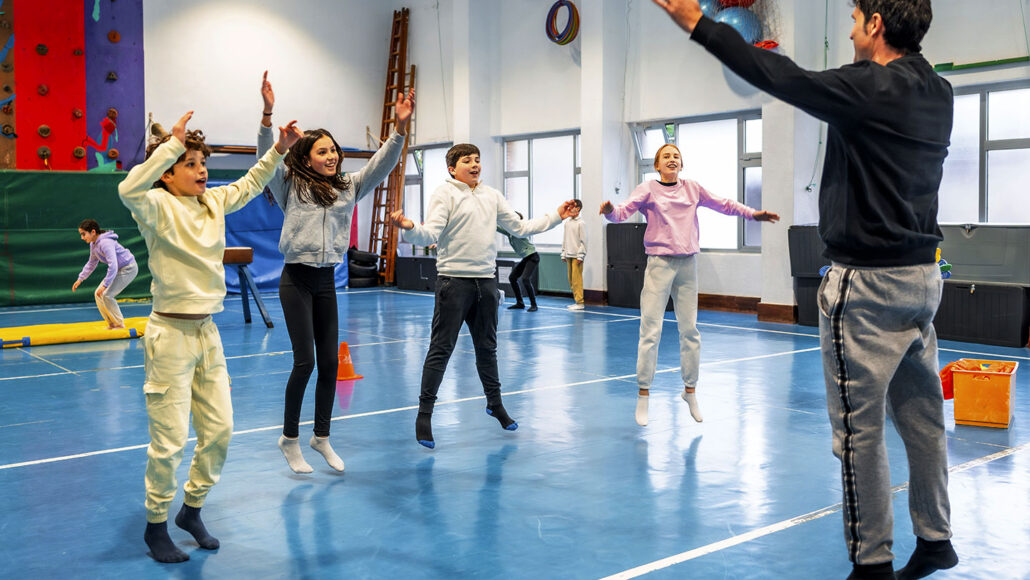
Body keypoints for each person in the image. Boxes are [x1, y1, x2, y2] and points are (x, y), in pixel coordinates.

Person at [651, 1, 957, 578]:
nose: (849, 29)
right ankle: (936, 537)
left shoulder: (867, 87)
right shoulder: (938, 92)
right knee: (923, 418)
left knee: (856, 431)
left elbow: (779, 76)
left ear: (875, 25)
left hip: (866, 286)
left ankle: (872, 562)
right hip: (923, 279)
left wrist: (700, 24)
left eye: (855, 17)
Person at [119, 110, 301, 563]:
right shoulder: (155, 205)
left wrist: (279, 148)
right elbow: (127, 188)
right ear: (167, 174)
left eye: (202, 163)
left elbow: (250, 183)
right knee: (170, 438)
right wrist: (169, 146)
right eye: (190, 163)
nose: (202, 171)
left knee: (219, 430)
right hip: (169, 336)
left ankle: (192, 509)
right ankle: (156, 524)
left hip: (207, 333)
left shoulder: (214, 202)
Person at [257, 72, 414, 474]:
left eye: (334, 151)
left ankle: (321, 437)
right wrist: (268, 116)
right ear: (307, 155)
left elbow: (382, 165)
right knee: (305, 362)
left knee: (330, 364)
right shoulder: (290, 183)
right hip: (296, 280)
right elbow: (265, 160)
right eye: (322, 151)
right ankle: (289, 439)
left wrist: (399, 128)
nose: (331, 157)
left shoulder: (348, 186)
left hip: (327, 281)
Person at [390, 144, 575, 449]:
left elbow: (520, 227)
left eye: (477, 160)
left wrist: (557, 215)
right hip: (453, 285)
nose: (475, 164)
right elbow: (429, 233)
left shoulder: (491, 196)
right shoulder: (444, 194)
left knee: (487, 350)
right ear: (452, 168)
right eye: (467, 161)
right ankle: (424, 415)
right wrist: (410, 228)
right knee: (441, 349)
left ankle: (495, 404)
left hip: (486, 285)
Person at [601, 143, 779, 428]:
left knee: (690, 331)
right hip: (659, 265)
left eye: (676, 157)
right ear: (657, 165)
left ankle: (690, 391)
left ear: (681, 165)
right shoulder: (647, 189)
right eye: (666, 156)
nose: (672, 159)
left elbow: (724, 204)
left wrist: (752, 214)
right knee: (651, 330)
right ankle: (644, 394)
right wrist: (610, 211)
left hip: (688, 265)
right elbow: (622, 212)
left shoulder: (692, 188)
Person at [72, 219, 139, 329]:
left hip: (129, 268)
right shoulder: (93, 244)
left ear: (93, 232)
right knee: (97, 294)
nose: (82, 237)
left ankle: (119, 324)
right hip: (118, 269)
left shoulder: (105, 243)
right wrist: (80, 278)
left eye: (83, 234)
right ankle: (111, 323)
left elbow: (113, 265)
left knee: (107, 294)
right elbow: (91, 263)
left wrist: (105, 285)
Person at [498, 212, 540, 312]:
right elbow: (497, 227)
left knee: (525, 279)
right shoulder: (510, 232)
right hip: (526, 258)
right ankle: (520, 303)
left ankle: (534, 305)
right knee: (512, 278)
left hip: (532, 256)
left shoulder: (520, 230)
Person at [561, 199, 586, 310]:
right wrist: (563, 253)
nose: (570, 209)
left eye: (573, 206)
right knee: (571, 279)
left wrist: (581, 255)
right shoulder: (567, 223)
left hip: (577, 256)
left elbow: (584, 240)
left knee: (577, 279)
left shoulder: (581, 223)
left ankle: (580, 302)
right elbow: (565, 239)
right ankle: (576, 300)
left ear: (578, 209)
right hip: (569, 255)